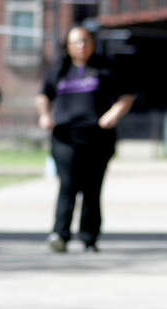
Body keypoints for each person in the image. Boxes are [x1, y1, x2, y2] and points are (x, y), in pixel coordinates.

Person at [36, 25, 136, 253]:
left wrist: (113, 114)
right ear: (68, 46)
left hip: (97, 136)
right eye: (76, 42)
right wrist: (45, 115)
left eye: (85, 41)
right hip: (65, 136)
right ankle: (60, 234)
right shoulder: (60, 68)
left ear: (92, 43)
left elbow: (127, 96)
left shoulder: (105, 67)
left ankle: (89, 237)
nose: (81, 46)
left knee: (92, 187)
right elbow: (43, 94)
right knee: (68, 185)